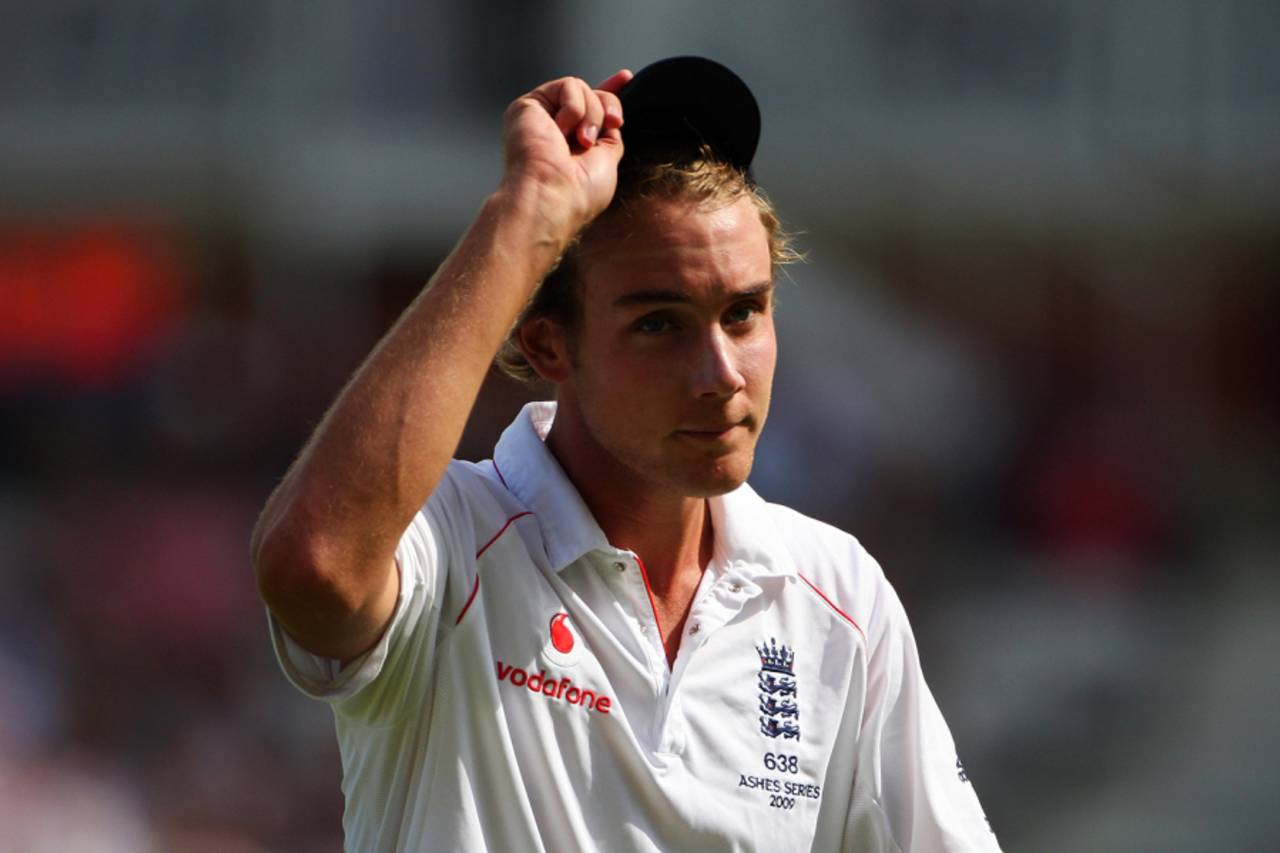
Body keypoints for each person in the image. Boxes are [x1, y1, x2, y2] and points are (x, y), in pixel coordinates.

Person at [252, 56, 1001, 852]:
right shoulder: (455, 542)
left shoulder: (838, 594)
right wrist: (525, 214)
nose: (720, 374)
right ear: (548, 344)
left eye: (744, 313)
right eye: (658, 324)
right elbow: (317, 564)